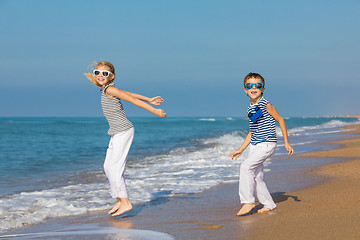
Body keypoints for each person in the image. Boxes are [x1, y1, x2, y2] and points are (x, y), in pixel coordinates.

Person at [85, 61, 166, 217]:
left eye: (105, 73)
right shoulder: (106, 89)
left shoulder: (110, 89)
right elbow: (130, 94)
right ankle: (119, 200)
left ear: (112, 76)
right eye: (97, 73)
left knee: (115, 168)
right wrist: (149, 99)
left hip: (124, 131)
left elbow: (132, 100)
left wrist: (154, 110)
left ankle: (126, 202)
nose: (100, 76)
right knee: (107, 167)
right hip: (116, 132)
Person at [230, 72, 294, 216]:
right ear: (245, 90)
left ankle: (248, 201)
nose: (254, 88)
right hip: (255, 145)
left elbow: (281, 120)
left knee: (245, 167)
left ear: (263, 88)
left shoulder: (267, 104)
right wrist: (240, 149)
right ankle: (269, 205)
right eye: (249, 85)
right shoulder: (249, 108)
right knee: (257, 176)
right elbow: (251, 131)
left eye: (258, 85)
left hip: (267, 144)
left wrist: (287, 142)